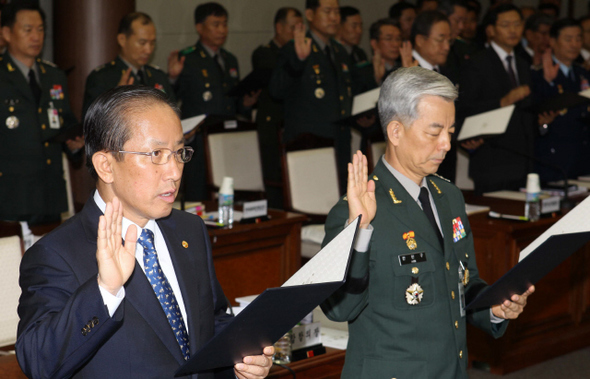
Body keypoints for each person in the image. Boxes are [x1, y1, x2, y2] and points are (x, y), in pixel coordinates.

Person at [16, 85, 274, 379]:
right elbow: (38, 362)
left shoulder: (189, 229)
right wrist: (105, 290)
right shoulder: (56, 253)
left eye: (178, 152)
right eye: (156, 154)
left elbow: (210, 321)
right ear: (106, 165)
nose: (174, 171)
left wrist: (243, 358)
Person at [320, 67, 534, 378]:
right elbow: (339, 309)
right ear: (395, 132)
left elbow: (463, 283)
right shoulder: (356, 209)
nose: (446, 144)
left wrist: (494, 308)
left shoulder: (448, 196)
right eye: (434, 133)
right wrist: (360, 229)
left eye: (450, 131)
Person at [0, 2, 83, 226]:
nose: (36, 36)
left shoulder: (54, 76)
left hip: (50, 193)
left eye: (40, 29)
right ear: (7, 32)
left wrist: (75, 145)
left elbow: (64, 122)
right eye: (28, 30)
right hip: (11, 195)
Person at [174, 2, 259, 201]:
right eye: (216, 24)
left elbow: (234, 102)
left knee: (227, 193)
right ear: (199, 27)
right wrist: (172, 78)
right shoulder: (187, 58)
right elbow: (172, 97)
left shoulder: (230, 59)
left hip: (226, 139)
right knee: (199, 196)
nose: (222, 30)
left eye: (224, 24)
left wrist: (247, 103)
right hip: (199, 140)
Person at [269, 0, 355, 192]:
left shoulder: (339, 51)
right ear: (310, 15)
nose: (334, 17)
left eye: (336, 12)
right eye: (327, 11)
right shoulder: (294, 47)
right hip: (309, 145)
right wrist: (298, 61)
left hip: (339, 144)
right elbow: (276, 90)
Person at [459, 4, 537, 194]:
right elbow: (465, 108)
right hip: (492, 161)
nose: (513, 30)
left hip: (525, 159)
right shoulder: (477, 63)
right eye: (506, 25)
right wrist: (502, 102)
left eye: (517, 24)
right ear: (491, 30)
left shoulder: (523, 62)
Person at [251, 7, 303, 208]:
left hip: (293, 124)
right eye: (293, 27)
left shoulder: (303, 54)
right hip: (271, 126)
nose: (297, 33)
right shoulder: (265, 53)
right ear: (279, 28)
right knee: (273, 178)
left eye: (301, 28)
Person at [82, 12, 176, 117]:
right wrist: (115, 99)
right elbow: (90, 122)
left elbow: (173, 113)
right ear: (122, 40)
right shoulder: (102, 78)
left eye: (152, 43)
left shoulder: (158, 76)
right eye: (142, 43)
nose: (148, 50)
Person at [531, 18, 590, 182]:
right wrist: (548, 81)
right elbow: (537, 111)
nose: (574, 44)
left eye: (578, 38)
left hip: (582, 157)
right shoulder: (538, 74)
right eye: (568, 39)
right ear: (553, 41)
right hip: (554, 159)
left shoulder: (583, 73)